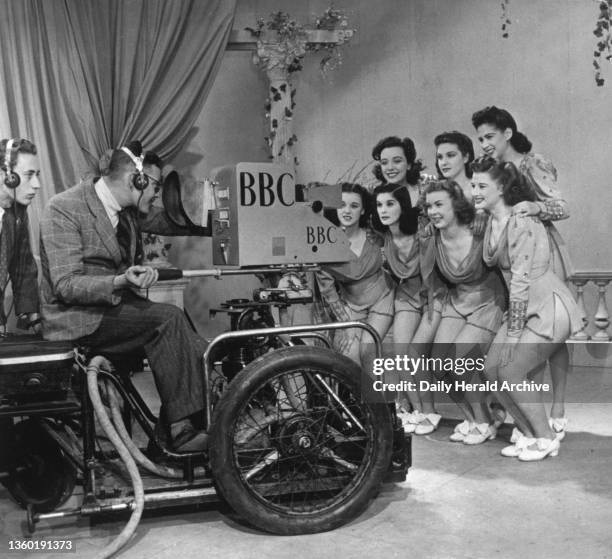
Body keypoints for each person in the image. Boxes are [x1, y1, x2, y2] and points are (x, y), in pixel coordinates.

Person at [39, 141, 208, 452]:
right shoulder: (64, 208)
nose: (156, 194)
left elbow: (171, 218)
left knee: (200, 347)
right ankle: (179, 432)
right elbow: (65, 285)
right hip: (76, 317)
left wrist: (219, 216)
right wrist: (119, 280)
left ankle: (167, 434)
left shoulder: (129, 211)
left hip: (114, 309)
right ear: (137, 179)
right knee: (168, 318)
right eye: (155, 185)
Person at [471, 156, 584, 461]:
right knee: (491, 370)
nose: (475, 191)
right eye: (472, 185)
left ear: (502, 188)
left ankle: (546, 438)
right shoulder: (490, 221)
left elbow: (520, 280)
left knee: (510, 369)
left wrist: (513, 334)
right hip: (522, 306)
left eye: (482, 185)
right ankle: (530, 434)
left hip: (547, 305)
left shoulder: (520, 220)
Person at [422, 180, 506, 444]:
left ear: (456, 205)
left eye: (439, 204)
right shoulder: (432, 238)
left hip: (487, 301)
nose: (433, 211)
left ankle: (484, 421)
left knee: (460, 361)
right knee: (437, 363)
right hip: (457, 302)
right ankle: (472, 416)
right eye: (429, 206)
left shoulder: (480, 230)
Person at [371, 181, 441, 435]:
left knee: (414, 354)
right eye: (379, 205)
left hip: (434, 296)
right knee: (401, 356)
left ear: (403, 206)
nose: (384, 210)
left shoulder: (423, 231)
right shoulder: (384, 237)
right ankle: (418, 411)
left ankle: (430, 410)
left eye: (390, 204)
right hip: (406, 297)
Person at [315, 183, 394, 367]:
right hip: (350, 305)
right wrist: (347, 326)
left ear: (363, 209)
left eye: (354, 206)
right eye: (342, 205)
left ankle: (376, 396)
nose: (347, 211)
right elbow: (329, 294)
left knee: (368, 350)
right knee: (348, 355)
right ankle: (361, 396)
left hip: (382, 299)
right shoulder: (324, 246)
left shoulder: (377, 237)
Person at [0, 138, 41, 334]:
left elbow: (22, 265)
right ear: (6, 176)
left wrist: (31, 315)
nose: (37, 184)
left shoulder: (18, 212)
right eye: (29, 175)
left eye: (37, 175)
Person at [434, 131, 475, 200]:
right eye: (440, 157)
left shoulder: (480, 189)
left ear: (466, 157)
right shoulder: (435, 192)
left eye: (450, 155)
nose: (444, 162)